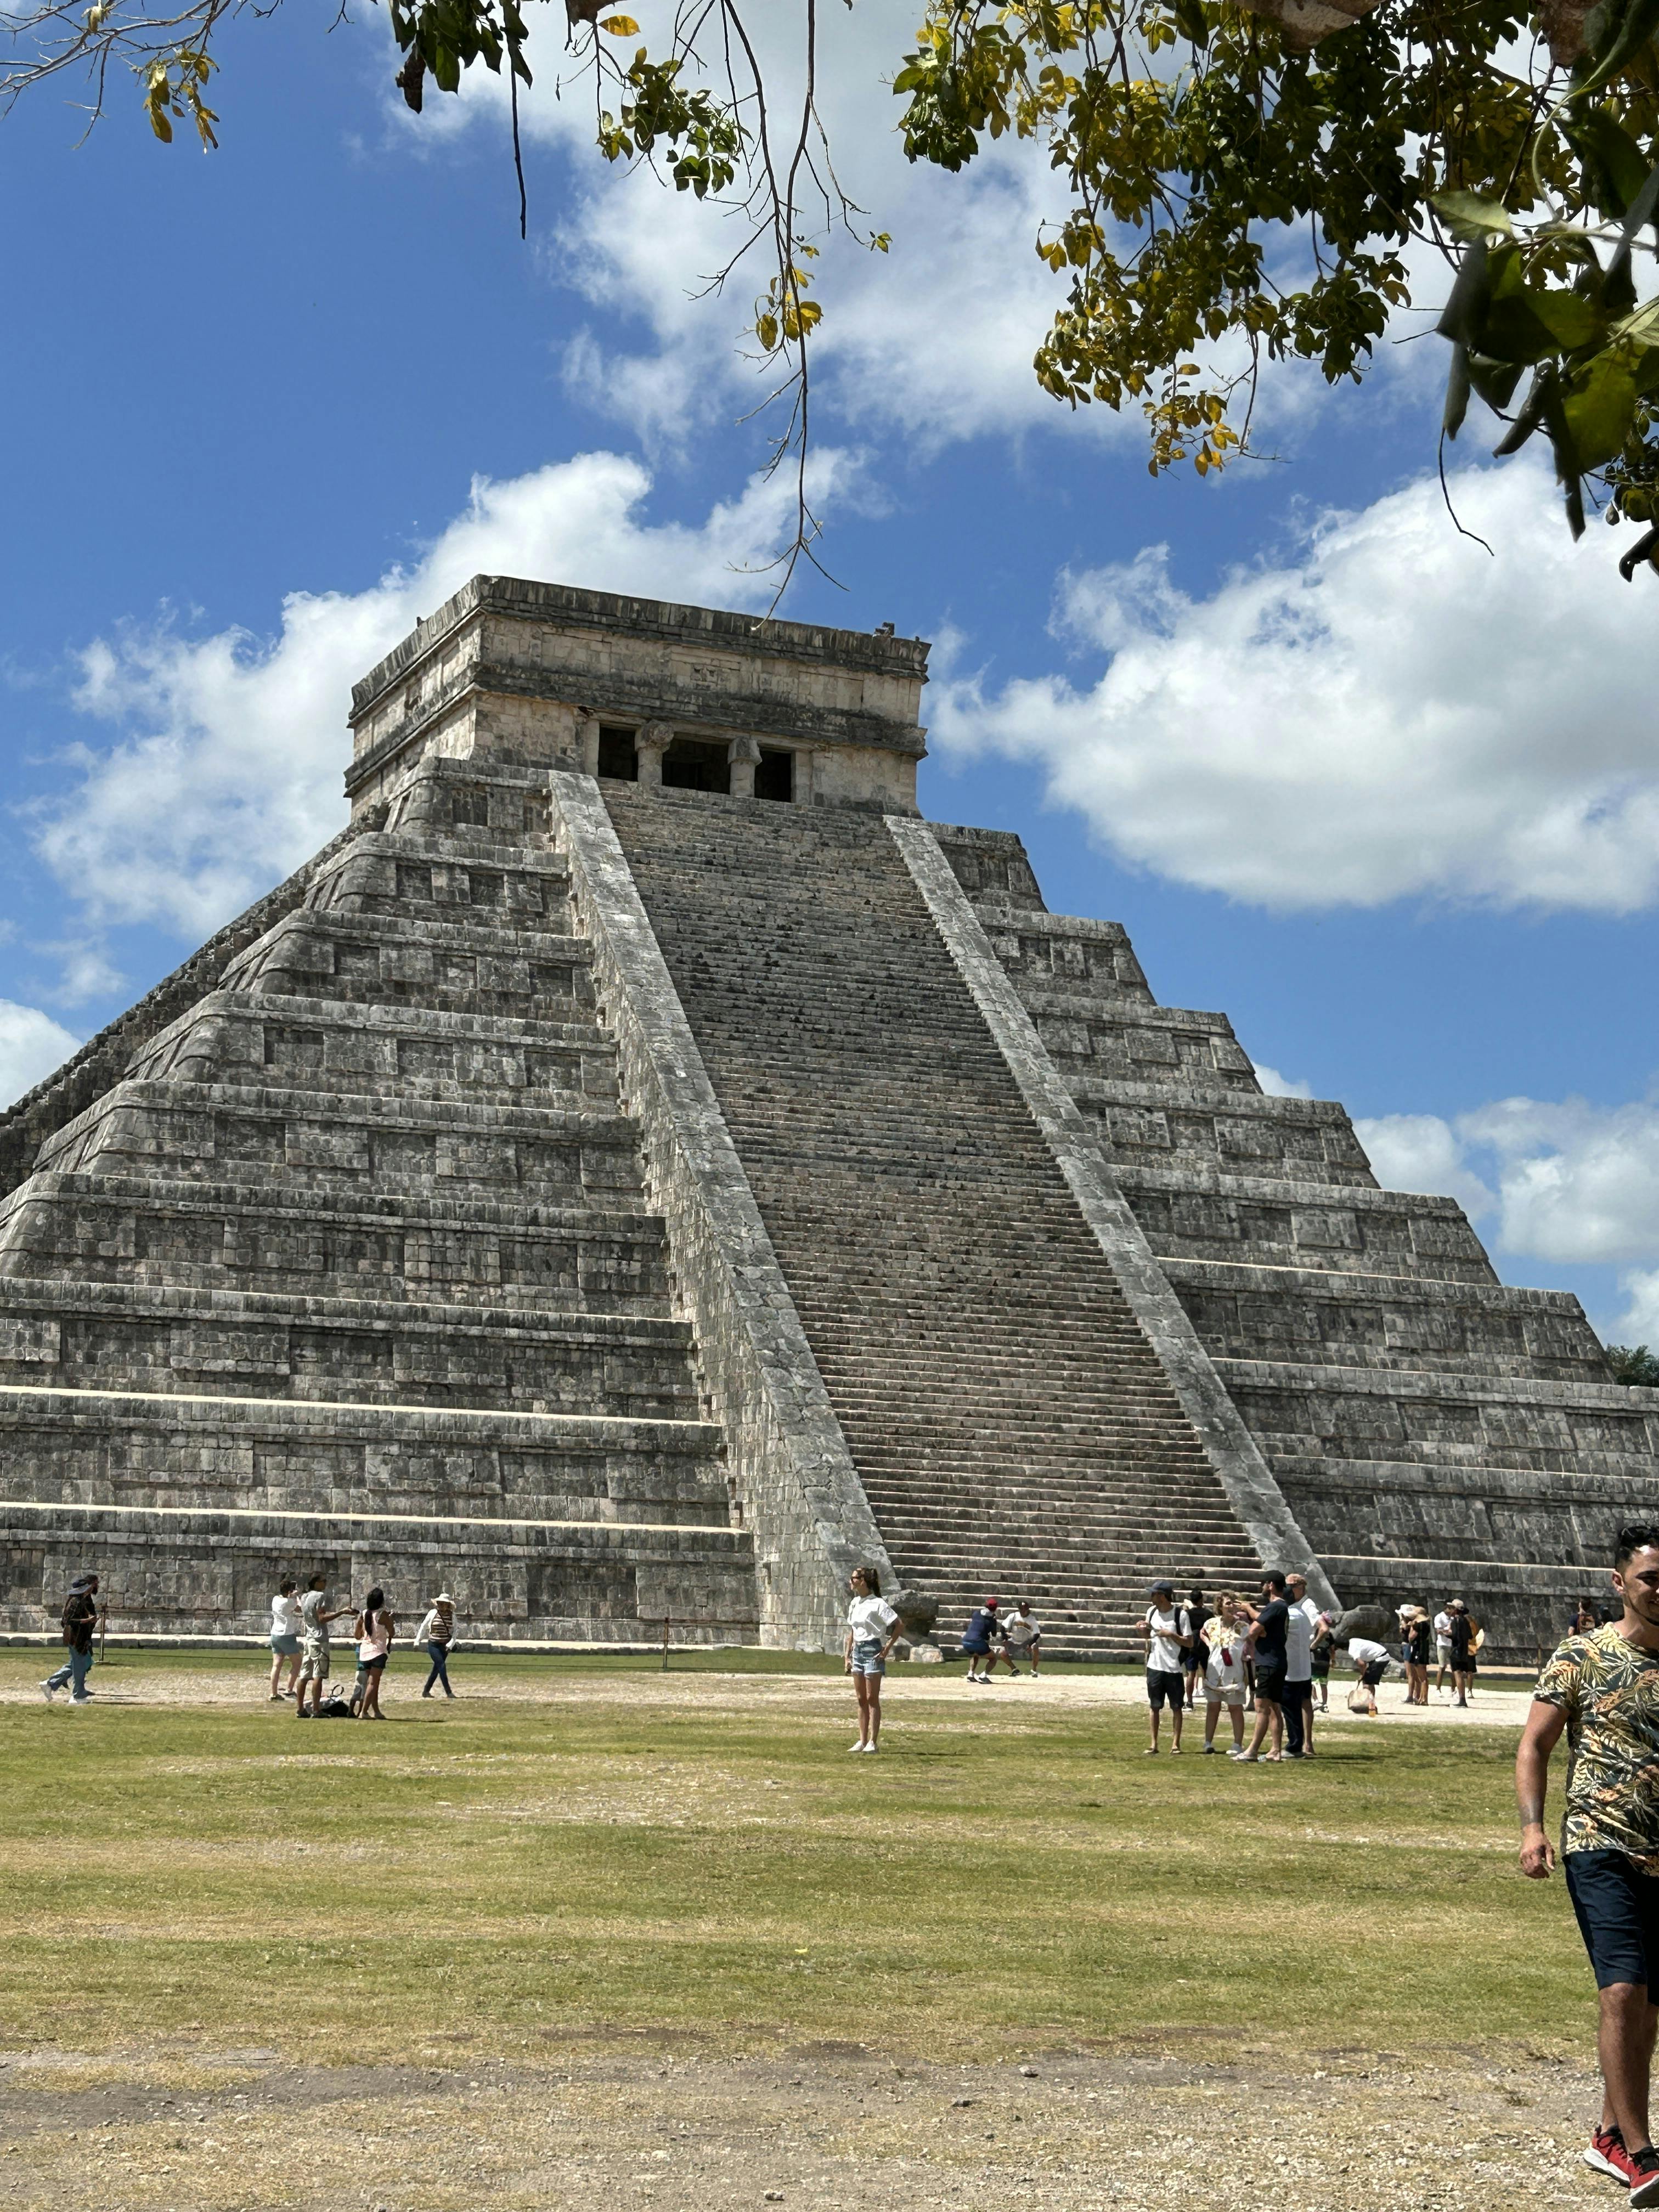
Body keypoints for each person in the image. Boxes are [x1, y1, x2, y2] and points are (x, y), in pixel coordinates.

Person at [1517, 1522, 1659, 2204]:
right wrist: (1532, 1828)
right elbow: (1535, 1746)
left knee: (1649, 2004)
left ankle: (1607, 2132)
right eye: (1650, 1579)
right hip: (1600, 1842)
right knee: (1622, 1992)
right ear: (1619, 1583)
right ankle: (1641, 2153)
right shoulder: (1581, 1655)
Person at [843, 1564, 901, 1751]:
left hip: (873, 1649)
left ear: (863, 1581)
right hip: (858, 1651)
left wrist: (887, 1649)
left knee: (872, 1698)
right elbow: (852, 1630)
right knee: (861, 1698)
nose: (851, 1582)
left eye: (854, 1578)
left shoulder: (878, 1603)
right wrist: (847, 1655)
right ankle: (862, 1740)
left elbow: (898, 1625)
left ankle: (873, 1742)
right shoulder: (854, 1603)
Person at [1236, 1573, 1290, 1762]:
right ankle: (1276, 1750)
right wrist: (1261, 1627)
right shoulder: (1280, 1607)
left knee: (1261, 1707)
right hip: (1277, 1662)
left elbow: (1252, 1632)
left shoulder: (1276, 1606)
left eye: (1263, 1584)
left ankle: (1252, 1751)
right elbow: (1261, 1626)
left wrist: (1248, 1609)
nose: (1262, 1587)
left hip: (1269, 1663)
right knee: (1275, 1707)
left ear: (1271, 1585)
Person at [1137, 1581, 1192, 1753]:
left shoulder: (1180, 1615)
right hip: (1154, 1666)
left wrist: (1171, 1634)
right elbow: (1148, 1636)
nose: (1151, 1597)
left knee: (1177, 1707)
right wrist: (1142, 1629)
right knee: (1154, 1706)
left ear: (1161, 1595)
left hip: (1174, 1668)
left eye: (1153, 1593)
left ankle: (1176, 1744)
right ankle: (1153, 1744)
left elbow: (1189, 1642)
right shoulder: (1151, 1612)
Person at [295, 1572, 350, 1719]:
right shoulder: (319, 1597)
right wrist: (342, 1612)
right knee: (318, 1675)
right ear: (316, 1583)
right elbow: (322, 1618)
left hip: (309, 1639)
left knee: (304, 1675)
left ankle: (300, 1709)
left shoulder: (304, 1596)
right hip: (320, 1640)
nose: (325, 1584)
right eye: (323, 1581)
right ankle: (317, 1710)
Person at [40, 1572, 100, 1706]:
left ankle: (51, 1684)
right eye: (92, 1585)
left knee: (82, 1663)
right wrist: (87, 1621)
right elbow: (68, 1621)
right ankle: (77, 1696)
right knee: (80, 1665)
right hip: (76, 1638)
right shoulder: (75, 1602)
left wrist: (91, 1621)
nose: (94, 1587)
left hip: (83, 1637)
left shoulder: (84, 1600)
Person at [1199, 1594, 1249, 1754]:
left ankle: (1237, 1744)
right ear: (1220, 1606)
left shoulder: (1243, 1626)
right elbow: (1202, 1633)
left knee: (1235, 1708)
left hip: (1235, 1673)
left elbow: (1250, 1644)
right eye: (1228, 1603)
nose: (1232, 1606)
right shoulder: (1211, 1624)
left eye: (1234, 1603)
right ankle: (1208, 1742)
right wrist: (1208, 1645)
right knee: (1213, 1707)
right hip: (1215, 1673)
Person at [1283, 1571, 1319, 1758]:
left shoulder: (1307, 1605)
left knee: (1300, 1703)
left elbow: (1323, 1627)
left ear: (1299, 1587)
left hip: (1299, 1662)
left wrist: (1312, 1645)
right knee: (1304, 1702)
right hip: (1300, 1662)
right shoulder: (1298, 1606)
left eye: (1289, 1586)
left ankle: (1305, 1743)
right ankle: (1305, 1743)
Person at [352, 1587, 394, 1720]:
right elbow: (392, 1632)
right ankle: (364, 1712)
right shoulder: (383, 1615)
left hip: (365, 1652)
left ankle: (376, 1711)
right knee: (373, 1684)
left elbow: (357, 1636)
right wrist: (390, 1621)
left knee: (373, 1683)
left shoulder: (364, 1614)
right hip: (378, 1652)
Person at [414, 1591, 458, 1700]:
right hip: (434, 1645)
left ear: (448, 1605)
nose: (441, 1605)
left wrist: (451, 1644)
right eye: (440, 1603)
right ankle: (449, 1692)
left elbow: (455, 1632)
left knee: (437, 1669)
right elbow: (423, 1627)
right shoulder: (432, 1613)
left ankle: (426, 1691)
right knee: (442, 1666)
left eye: (444, 1603)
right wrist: (417, 1641)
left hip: (445, 1646)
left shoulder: (453, 1616)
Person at [268, 1578, 302, 1702]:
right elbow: (300, 1608)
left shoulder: (276, 1599)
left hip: (275, 1633)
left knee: (276, 1665)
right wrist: (296, 1596)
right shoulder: (289, 1602)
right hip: (286, 1634)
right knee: (298, 1663)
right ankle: (289, 1689)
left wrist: (291, 1595)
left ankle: (274, 1693)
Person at [1344, 1628, 1390, 1716]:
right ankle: (1370, 1705)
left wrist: (1362, 1675)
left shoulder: (1352, 1649)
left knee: (1367, 1684)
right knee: (1369, 1683)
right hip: (1380, 1656)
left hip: (1380, 1658)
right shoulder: (1354, 1641)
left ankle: (1370, 1707)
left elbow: (1362, 1664)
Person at [959, 1596, 1001, 1683]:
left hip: (966, 1641)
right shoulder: (992, 1620)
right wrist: (994, 1622)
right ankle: (984, 1676)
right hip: (978, 1642)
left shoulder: (976, 1613)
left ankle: (971, 1674)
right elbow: (994, 1634)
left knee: (975, 1655)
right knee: (993, 1658)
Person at [1449, 1599, 1480, 1707]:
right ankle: (1462, 1698)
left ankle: (1462, 1699)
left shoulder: (1455, 1622)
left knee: (1457, 1674)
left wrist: (1446, 1633)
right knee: (1462, 1674)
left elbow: (1454, 1636)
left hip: (1456, 1650)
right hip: (1464, 1651)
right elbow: (1470, 1636)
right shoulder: (1466, 1621)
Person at [1001, 1599, 1042, 1677]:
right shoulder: (1013, 1616)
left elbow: (1037, 1634)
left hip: (1026, 1641)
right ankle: (1014, 1670)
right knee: (1001, 1652)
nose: (1023, 1611)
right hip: (1014, 1640)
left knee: (1035, 1646)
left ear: (1028, 1610)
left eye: (1025, 1609)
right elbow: (1003, 1627)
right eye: (1022, 1609)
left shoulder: (1031, 1619)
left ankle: (1034, 1670)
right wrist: (1005, 1638)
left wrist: (1030, 1644)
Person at [1183, 1587, 1207, 1709]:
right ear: (1201, 1599)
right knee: (1207, 1674)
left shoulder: (1187, 1614)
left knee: (1191, 1674)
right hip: (1204, 1645)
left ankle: (1190, 1701)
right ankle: (1211, 1700)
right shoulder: (1207, 1613)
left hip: (1192, 1644)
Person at [1406, 1606, 1434, 1705]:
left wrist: (1411, 1628)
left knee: (1423, 1678)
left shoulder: (1417, 1625)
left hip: (1418, 1650)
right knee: (1424, 1677)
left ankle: (1424, 1699)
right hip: (1424, 1649)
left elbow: (1411, 1638)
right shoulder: (1426, 1624)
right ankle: (1422, 1698)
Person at [1309, 1611, 1335, 1710]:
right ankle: (1325, 1704)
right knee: (1323, 1683)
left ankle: (1316, 1701)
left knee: (1312, 1681)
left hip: (1315, 1658)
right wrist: (1333, 1661)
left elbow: (1310, 1645)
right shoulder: (1330, 1636)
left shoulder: (1317, 1632)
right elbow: (1332, 1650)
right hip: (1325, 1660)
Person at [1434, 1602, 1455, 1698]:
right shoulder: (1439, 1617)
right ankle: (1438, 1689)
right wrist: (1448, 1632)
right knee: (1442, 1667)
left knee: (1454, 1668)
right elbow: (1438, 1631)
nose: (1452, 1611)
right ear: (1446, 1608)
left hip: (1452, 1644)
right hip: (1443, 1644)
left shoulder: (1453, 1619)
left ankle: (1453, 1689)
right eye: (1451, 1609)